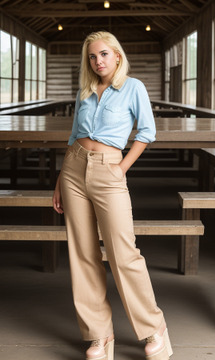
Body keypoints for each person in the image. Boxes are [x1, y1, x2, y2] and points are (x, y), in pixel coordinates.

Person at [53, 31, 173, 360]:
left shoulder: (133, 88)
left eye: (104, 54)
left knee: (123, 252)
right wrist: (61, 178)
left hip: (110, 169)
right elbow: (74, 134)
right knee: (83, 254)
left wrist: (122, 168)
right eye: (92, 56)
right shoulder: (85, 90)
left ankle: (153, 327)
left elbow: (146, 132)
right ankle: (99, 335)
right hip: (74, 168)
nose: (98, 61)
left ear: (117, 55)